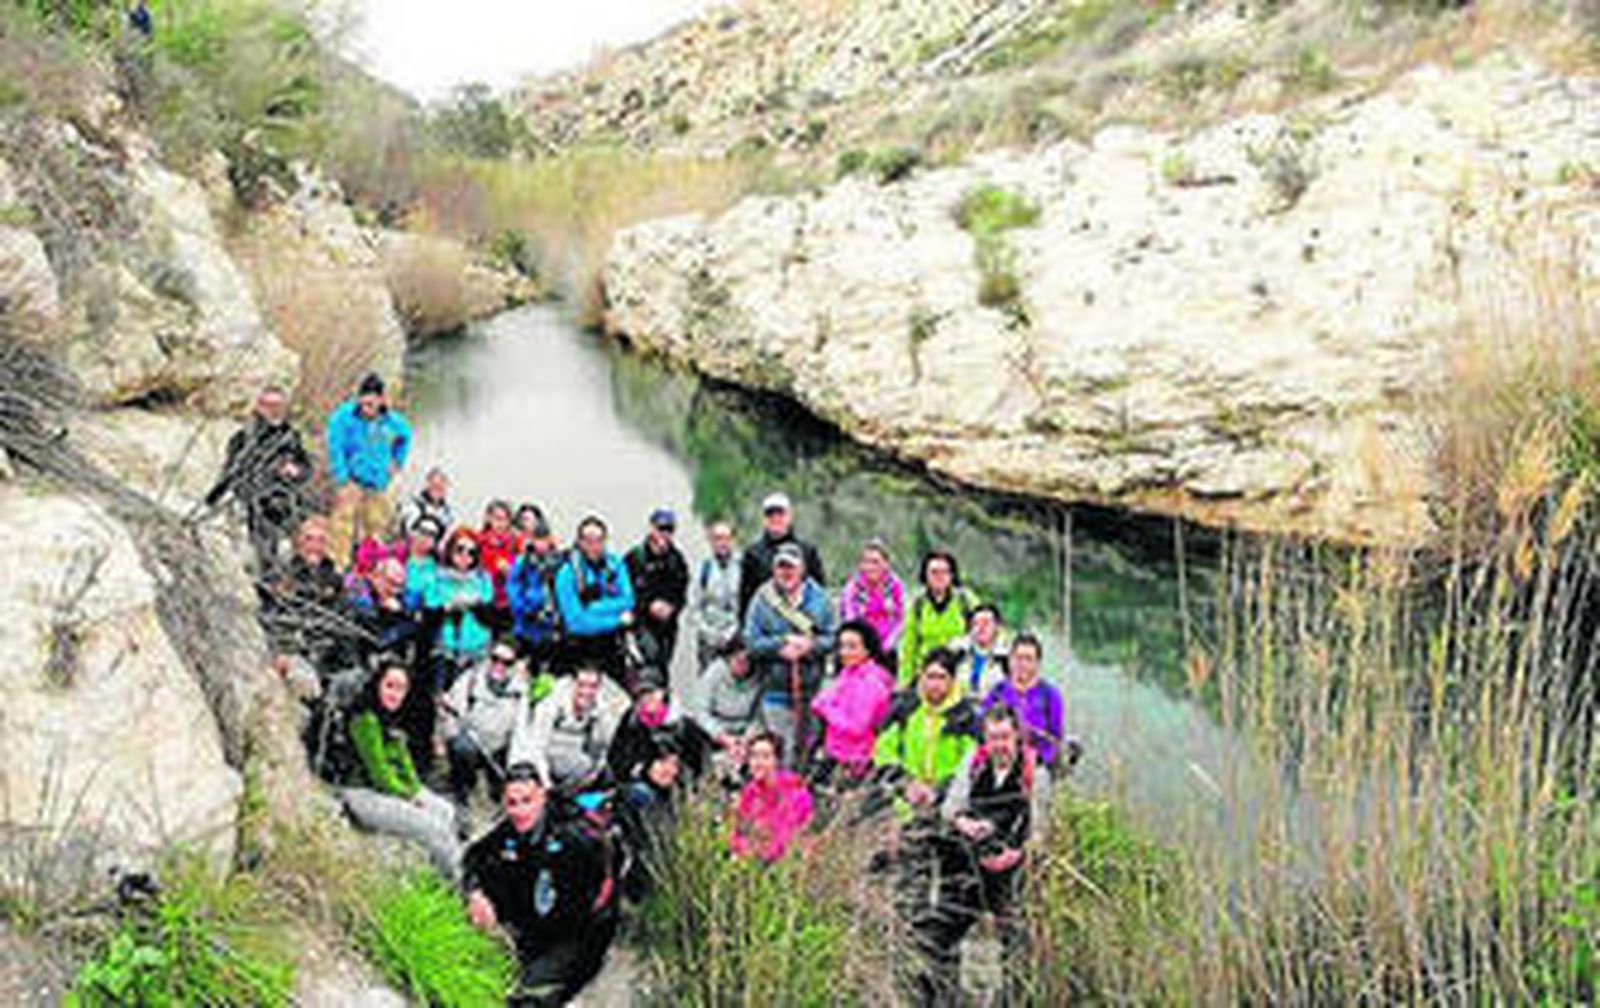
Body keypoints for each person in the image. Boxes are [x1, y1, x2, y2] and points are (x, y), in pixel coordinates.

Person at [916, 704, 1053, 1005]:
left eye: (1005, 737)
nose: (999, 745)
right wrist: (964, 823)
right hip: (968, 865)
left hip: (1011, 874)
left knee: (1017, 949)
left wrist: (1016, 855)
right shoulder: (974, 762)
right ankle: (938, 996)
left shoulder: (1036, 773)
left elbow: (1040, 835)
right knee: (938, 936)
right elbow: (950, 808)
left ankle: (1010, 999)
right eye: (993, 738)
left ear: (1017, 736)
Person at [462, 767, 620, 1007]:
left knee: (525, 997)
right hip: (533, 921)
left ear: (542, 797)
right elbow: (473, 856)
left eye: (527, 801)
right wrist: (476, 894)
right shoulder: (510, 829)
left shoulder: (576, 839)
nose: (520, 811)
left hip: (577, 933)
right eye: (512, 803)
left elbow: (589, 913)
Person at [339, 662, 460, 879]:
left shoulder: (390, 719)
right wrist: (407, 797)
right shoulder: (365, 719)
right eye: (389, 686)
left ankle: (451, 869)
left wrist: (415, 790)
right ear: (377, 684)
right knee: (432, 827)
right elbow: (379, 773)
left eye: (401, 689)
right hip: (362, 792)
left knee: (446, 811)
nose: (395, 694)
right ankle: (455, 882)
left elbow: (405, 764)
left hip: (390, 787)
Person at [744, 542, 837, 766]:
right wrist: (781, 644)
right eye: (781, 567)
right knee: (781, 751)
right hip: (774, 690)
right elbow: (751, 641)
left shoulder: (821, 599)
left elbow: (833, 638)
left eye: (791, 567)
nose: (786, 573)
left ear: (802, 569)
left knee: (807, 751)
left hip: (811, 691)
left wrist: (809, 646)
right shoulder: (762, 600)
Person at [203, 384, 310, 571]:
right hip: (252, 499)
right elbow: (230, 471)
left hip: (285, 498)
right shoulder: (242, 438)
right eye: (269, 405)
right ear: (259, 407)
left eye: (278, 406)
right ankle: (266, 571)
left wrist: (295, 470)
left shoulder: (291, 438)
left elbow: (306, 469)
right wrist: (212, 498)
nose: (274, 411)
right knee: (262, 533)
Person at [326, 372, 412, 569]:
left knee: (375, 527)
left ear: (381, 400)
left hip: (378, 482)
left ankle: (369, 568)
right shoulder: (343, 417)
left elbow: (405, 436)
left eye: (372, 405)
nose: (367, 410)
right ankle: (339, 567)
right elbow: (335, 448)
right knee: (343, 527)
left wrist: (397, 462)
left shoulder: (391, 421)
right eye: (364, 404)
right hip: (351, 480)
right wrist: (342, 479)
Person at [442, 641, 530, 831]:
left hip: (499, 749)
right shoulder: (471, 679)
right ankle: (462, 793)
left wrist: (516, 765)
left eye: (506, 662)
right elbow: (452, 714)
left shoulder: (521, 692)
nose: (499, 665)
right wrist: (452, 736)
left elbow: (520, 732)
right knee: (462, 748)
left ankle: (498, 794)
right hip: (471, 743)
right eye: (495, 659)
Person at [261, 514, 356, 677]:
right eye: (309, 539)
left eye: (321, 540)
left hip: (322, 658)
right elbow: (268, 618)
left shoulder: (335, 581)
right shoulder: (281, 575)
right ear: (298, 542)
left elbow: (343, 623)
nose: (314, 546)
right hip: (286, 652)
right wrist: (279, 651)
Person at [508, 667, 626, 793]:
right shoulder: (552, 701)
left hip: (575, 767)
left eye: (592, 687)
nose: (586, 692)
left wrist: (592, 777)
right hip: (543, 759)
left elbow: (601, 748)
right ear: (572, 684)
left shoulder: (600, 706)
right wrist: (546, 785)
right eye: (581, 685)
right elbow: (538, 747)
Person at [553, 516, 635, 687]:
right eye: (588, 541)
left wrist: (592, 608)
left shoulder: (615, 564)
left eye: (599, 540)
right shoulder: (567, 573)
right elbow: (575, 622)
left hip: (611, 646)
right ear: (579, 541)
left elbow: (628, 601)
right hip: (578, 648)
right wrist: (617, 620)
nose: (594, 546)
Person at [810, 621, 895, 785]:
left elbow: (857, 726)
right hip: (836, 754)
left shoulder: (871, 682)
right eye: (842, 646)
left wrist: (827, 709)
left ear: (867, 649)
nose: (844, 652)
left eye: (852, 647)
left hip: (855, 762)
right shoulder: (848, 673)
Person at [980, 633, 1068, 770]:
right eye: (1018, 658)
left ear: (1037, 663)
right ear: (1010, 660)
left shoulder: (1050, 695)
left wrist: (1038, 757)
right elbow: (983, 729)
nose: (1023, 664)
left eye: (1029, 659)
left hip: (1036, 767)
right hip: (1000, 763)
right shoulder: (997, 692)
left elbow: (1055, 740)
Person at [424, 528, 494, 697]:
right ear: (450, 550)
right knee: (442, 697)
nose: (465, 556)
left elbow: (490, 616)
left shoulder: (483, 579)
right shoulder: (436, 578)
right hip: (445, 649)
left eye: (471, 552)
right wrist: (448, 607)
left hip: (477, 649)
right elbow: (430, 613)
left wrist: (475, 605)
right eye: (460, 549)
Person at [898, 551, 980, 688]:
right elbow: (908, 646)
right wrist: (905, 681)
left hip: (960, 672)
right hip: (926, 674)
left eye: (944, 572)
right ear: (925, 575)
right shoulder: (917, 605)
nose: (939, 577)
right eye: (934, 572)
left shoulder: (966, 601)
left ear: (952, 575)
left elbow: (982, 632)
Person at [729, 732, 814, 864]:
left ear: (777, 761)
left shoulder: (795, 791)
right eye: (753, 756)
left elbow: (789, 837)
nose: (758, 762)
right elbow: (739, 833)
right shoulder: (750, 792)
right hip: (754, 858)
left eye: (765, 757)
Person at [737, 492, 826, 617]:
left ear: (789, 516)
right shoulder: (752, 554)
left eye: (780, 514)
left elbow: (819, 593)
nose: (775, 519)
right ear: (764, 519)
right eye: (770, 514)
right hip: (765, 622)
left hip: (803, 621)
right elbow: (746, 598)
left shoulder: (808, 552)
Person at [625, 509, 690, 676]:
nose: (664, 534)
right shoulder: (634, 557)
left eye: (669, 530)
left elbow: (682, 594)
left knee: (662, 669)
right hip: (641, 624)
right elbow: (624, 594)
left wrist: (672, 607)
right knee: (647, 668)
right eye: (661, 528)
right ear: (651, 528)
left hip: (667, 627)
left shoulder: (677, 560)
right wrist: (649, 605)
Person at [689, 636, 763, 775]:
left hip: (743, 729)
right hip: (717, 726)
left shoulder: (759, 677)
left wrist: (747, 738)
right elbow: (700, 710)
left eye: (746, 661)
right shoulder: (714, 673)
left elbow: (759, 714)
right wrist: (721, 736)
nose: (742, 666)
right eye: (737, 660)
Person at [839, 539, 906, 669]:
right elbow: (850, 619)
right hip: (859, 649)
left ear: (886, 564)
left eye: (875, 562)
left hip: (886, 648)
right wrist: (864, 647)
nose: (870, 567)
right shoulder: (852, 588)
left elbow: (900, 619)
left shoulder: (895, 586)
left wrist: (888, 644)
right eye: (866, 562)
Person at [507, 534, 560, 672]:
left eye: (544, 539)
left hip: (550, 624)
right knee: (523, 666)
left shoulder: (557, 562)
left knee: (547, 666)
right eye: (538, 539)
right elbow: (513, 587)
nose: (541, 544)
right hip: (526, 622)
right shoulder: (523, 562)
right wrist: (523, 609)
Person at [694, 519, 742, 670]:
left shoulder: (742, 567)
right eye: (718, 538)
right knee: (707, 680)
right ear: (711, 541)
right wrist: (709, 634)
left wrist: (731, 633)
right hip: (708, 639)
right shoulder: (704, 568)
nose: (722, 543)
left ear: (733, 540)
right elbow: (694, 606)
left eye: (726, 538)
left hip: (735, 637)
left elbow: (747, 605)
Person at [949, 603, 1012, 699]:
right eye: (976, 623)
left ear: (997, 626)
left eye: (986, 623)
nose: (981, 627)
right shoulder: (957, 651)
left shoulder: (1008, 656)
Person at [478, 500, 522, 637]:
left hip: (509, 600)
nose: (500, 524)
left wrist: (511, 571)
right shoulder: (479, 541)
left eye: (504, 519)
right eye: (496, 518)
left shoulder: (516, 542)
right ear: (488, 519)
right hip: (486, 600)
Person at [399, 466, 455, 535]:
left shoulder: (447, 512)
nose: (438, 489)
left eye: (441, 487)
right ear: (427, 484)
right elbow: (406, 531)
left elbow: (449, 533)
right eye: (434, 485)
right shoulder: (414, 505)